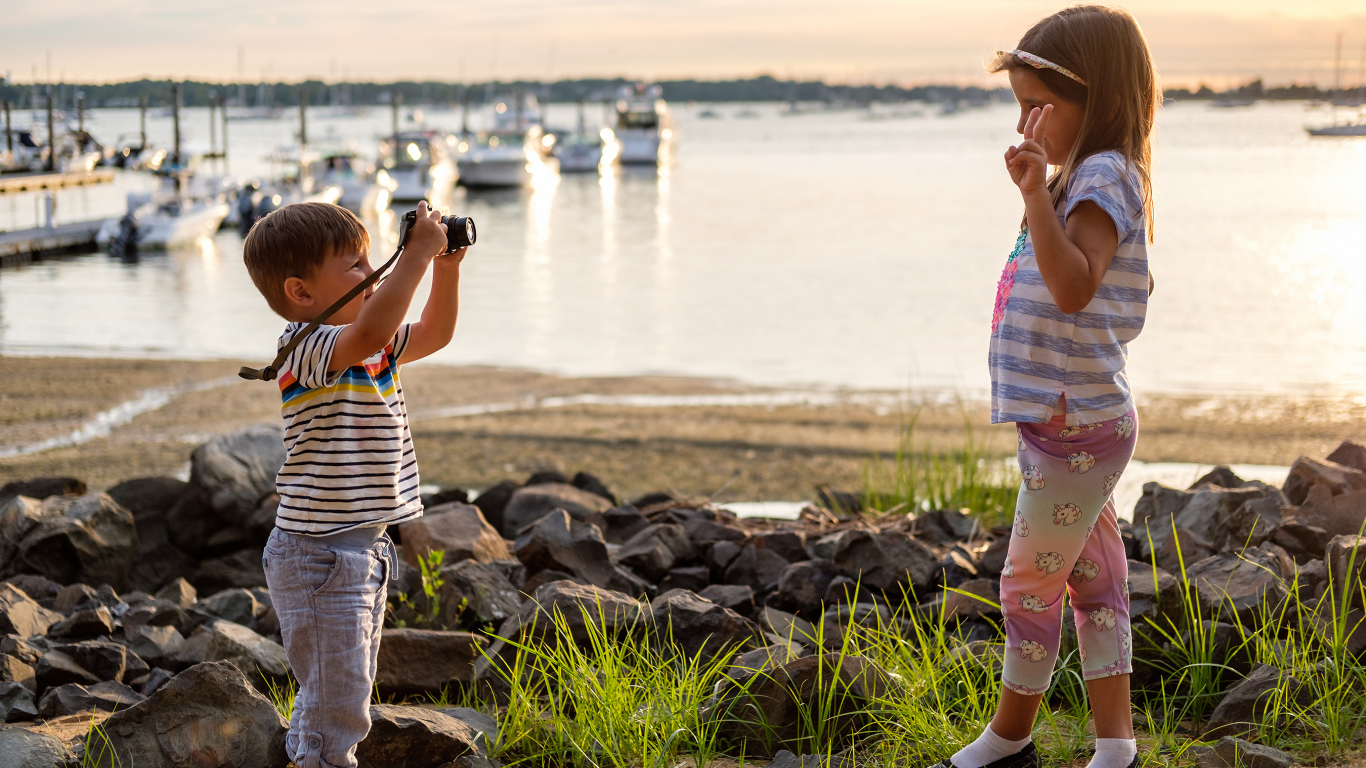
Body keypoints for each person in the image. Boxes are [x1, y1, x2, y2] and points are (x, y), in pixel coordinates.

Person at [930, 7, 1157, 768]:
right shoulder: (1080, 176)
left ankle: (1010, 736)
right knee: (1093, 580)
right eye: (1018, 104)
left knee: (1028, 581)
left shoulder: (1102, 175)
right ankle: (1116, 747)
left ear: (1098, 98)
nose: (1027, 122)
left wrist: (1033, 195)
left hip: (1075, 424)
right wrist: (1038, 187)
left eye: (1040, 105)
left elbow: (1073, 288)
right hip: (1068, 420)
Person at [242, 201, 467, 768]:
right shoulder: (307, 347)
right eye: (353, 266)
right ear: (300, 293)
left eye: (371, 261)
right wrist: (414, 254)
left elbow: (436, 333)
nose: (372, 274)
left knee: (342, 695)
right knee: (337, 707)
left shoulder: (373, 348)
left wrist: (446, 267)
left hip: (363, 547)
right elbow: (369, 330)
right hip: (317, 557)